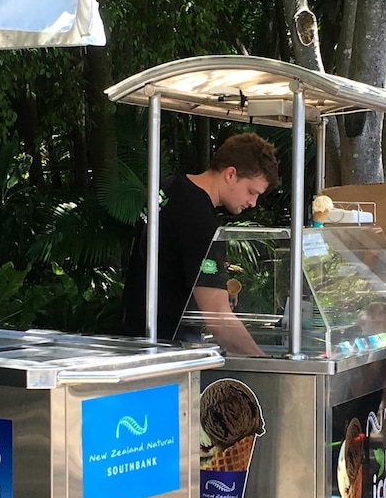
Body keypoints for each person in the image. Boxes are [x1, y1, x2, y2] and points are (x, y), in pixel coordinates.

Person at [119, 132, 279, 355]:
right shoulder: (198, 219)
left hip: (136, 335)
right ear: (230, 174)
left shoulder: (172, 185)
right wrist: (265, 366)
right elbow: (219, 319)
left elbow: (169, 266)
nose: (252, 202)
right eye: (251, 192)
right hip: (167, 347)